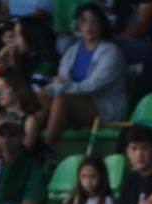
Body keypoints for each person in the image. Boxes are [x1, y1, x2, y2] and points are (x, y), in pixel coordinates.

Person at [41, 3, 128, 147]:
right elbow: (62, 81)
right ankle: (28, 145)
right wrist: (47, 90)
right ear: (77, 26)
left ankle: (48, 147)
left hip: (103, 108)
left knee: (61, 99)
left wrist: (56, 88)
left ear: (102, 24)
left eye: (94, 21)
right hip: (77, 102)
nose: (89, 26)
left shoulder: (112, 52)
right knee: (41, 98)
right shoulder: (71, 51)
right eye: (83, 21)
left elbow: (92, 86)